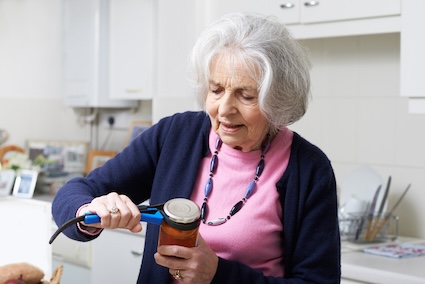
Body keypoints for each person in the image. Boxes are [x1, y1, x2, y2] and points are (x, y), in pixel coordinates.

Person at [52, 12, 340, 283]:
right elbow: (71, 194)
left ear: (275, 99)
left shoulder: (309, 169)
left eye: (246, 95)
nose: (225, 109)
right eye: (216, 90)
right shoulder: (175, 135)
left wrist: (217, 274)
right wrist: (90, 210)